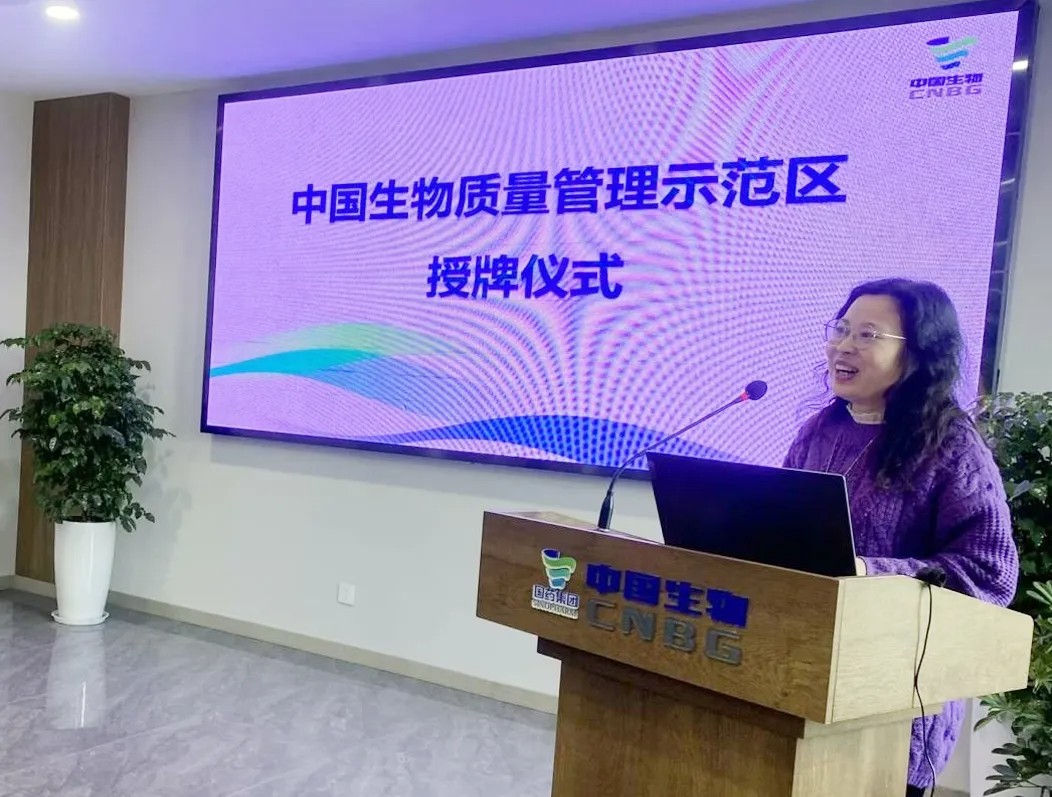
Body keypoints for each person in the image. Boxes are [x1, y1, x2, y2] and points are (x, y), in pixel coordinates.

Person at [783, 278, 1019, 796]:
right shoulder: (819, 431)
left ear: (916, 356)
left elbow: (988, 573)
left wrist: (870, 571)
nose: (844, 346)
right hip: (797, 681)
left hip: (890, 712)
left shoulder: (951, 446)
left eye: (867, 335)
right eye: (841, 329)